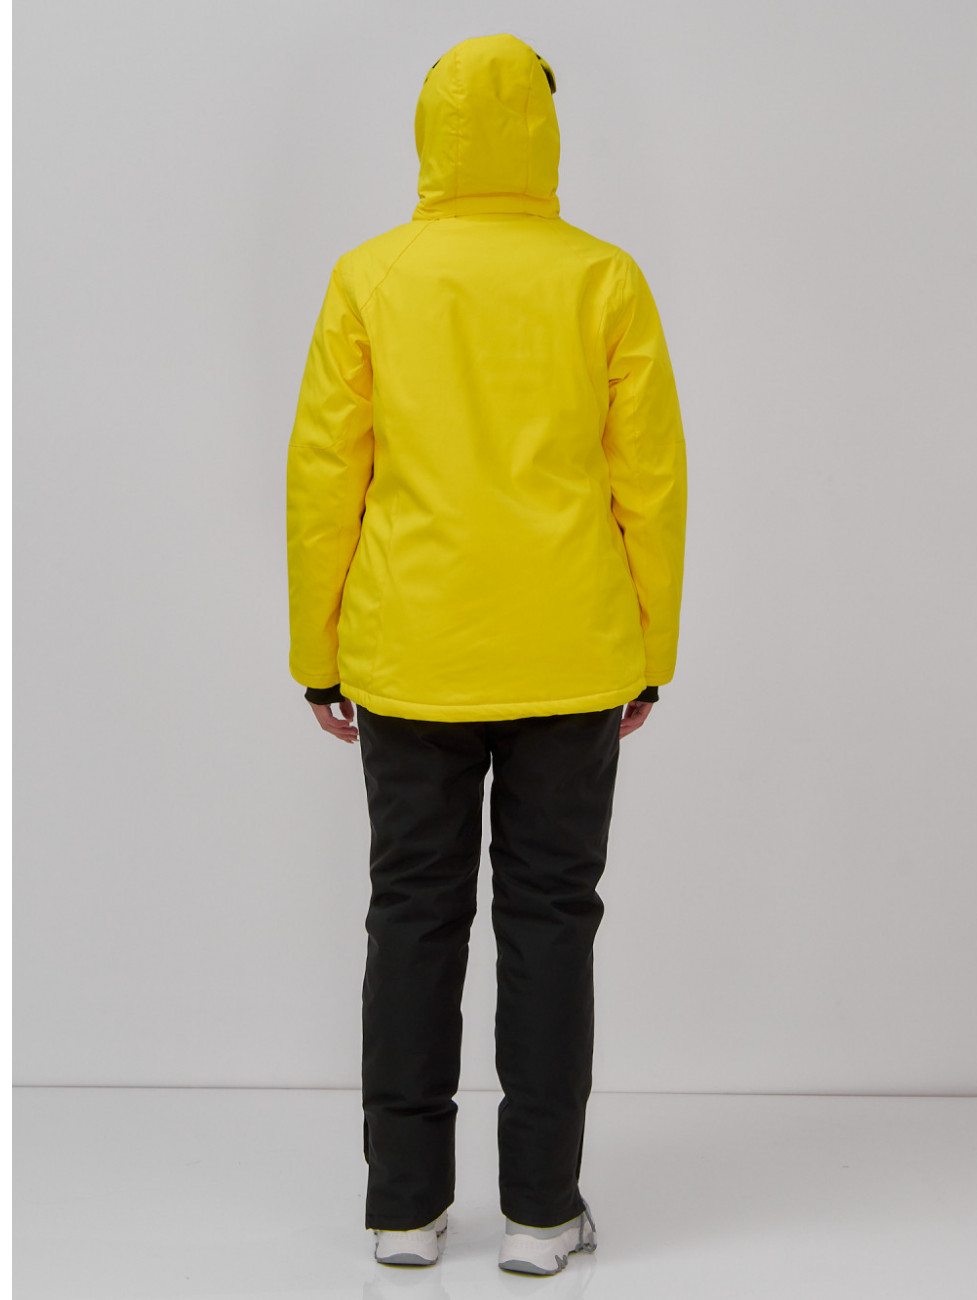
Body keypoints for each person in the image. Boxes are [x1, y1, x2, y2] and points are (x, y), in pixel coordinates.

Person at [285, 32, 688, 1276]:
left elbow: (322, 477)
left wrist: (317, 654)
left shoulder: (371, 276)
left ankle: (404, 1210)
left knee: (411, 916)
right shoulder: (601, 277)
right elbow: (650, 480)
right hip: (571, 653)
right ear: (543, 133)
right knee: (550, 923)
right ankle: (541, 1211)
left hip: (411, 652)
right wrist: (648, 652)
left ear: (431, 131)